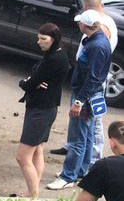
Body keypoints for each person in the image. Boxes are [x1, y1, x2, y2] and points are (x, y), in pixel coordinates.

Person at [48, 10, 112, 189]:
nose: (78, 25)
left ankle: (68, 176)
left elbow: (92, 77)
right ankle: (81, 171)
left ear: (84, 25)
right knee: (88, 134)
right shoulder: (96, 41)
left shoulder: (96, 46)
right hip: (91, 94)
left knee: (77, 137)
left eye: (80, 23)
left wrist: (79, 101)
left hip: (85, 95)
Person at [50, 0, 118, 160]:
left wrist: (80, 100)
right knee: (84, 126)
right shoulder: (100, 25)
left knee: (92, 125)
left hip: (90, 85)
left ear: (86, 8)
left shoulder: (100, 32)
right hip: (88, 82)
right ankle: (77, 151)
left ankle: (92, 159)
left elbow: (95, 70)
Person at [15, 23, 70, 198]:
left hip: (40, 111)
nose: (39, 42)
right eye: (38, 38)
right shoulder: (57, 54)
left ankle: (33, 195)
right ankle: (32, 191)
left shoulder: (54, 59)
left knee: (22, 157)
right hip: (46, 108)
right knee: (37, 150)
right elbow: (36, 81)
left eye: (43, 39)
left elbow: (29, 84)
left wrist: (26, 82)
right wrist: (34, 81)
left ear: (53, 39)